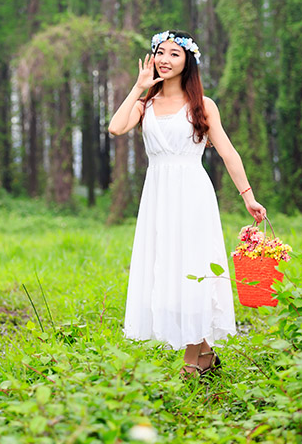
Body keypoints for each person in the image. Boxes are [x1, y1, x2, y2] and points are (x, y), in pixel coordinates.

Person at [107, 30, 267, 380]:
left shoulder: (203, 106)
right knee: (166, 272)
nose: (164, 59)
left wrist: (248, 197)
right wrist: (138, 86)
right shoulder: (144, 104)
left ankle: (192, 362)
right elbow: (116, 128)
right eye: (159, 52)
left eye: (173, 54)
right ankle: (206, 353)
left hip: (193, 195)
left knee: (194, 271)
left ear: (188, 61)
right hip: (158, 197)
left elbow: (227, 152)